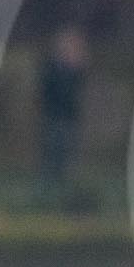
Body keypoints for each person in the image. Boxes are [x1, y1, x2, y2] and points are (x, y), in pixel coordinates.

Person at [39, 24, 88, 187]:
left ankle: (66, 185)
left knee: (69, 153)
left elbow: (79, 94)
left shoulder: (76, 71)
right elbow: (48, 93)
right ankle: (50, 185)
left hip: (70, 117)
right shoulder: (51, 68)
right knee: (53, 152)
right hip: (54, 117)